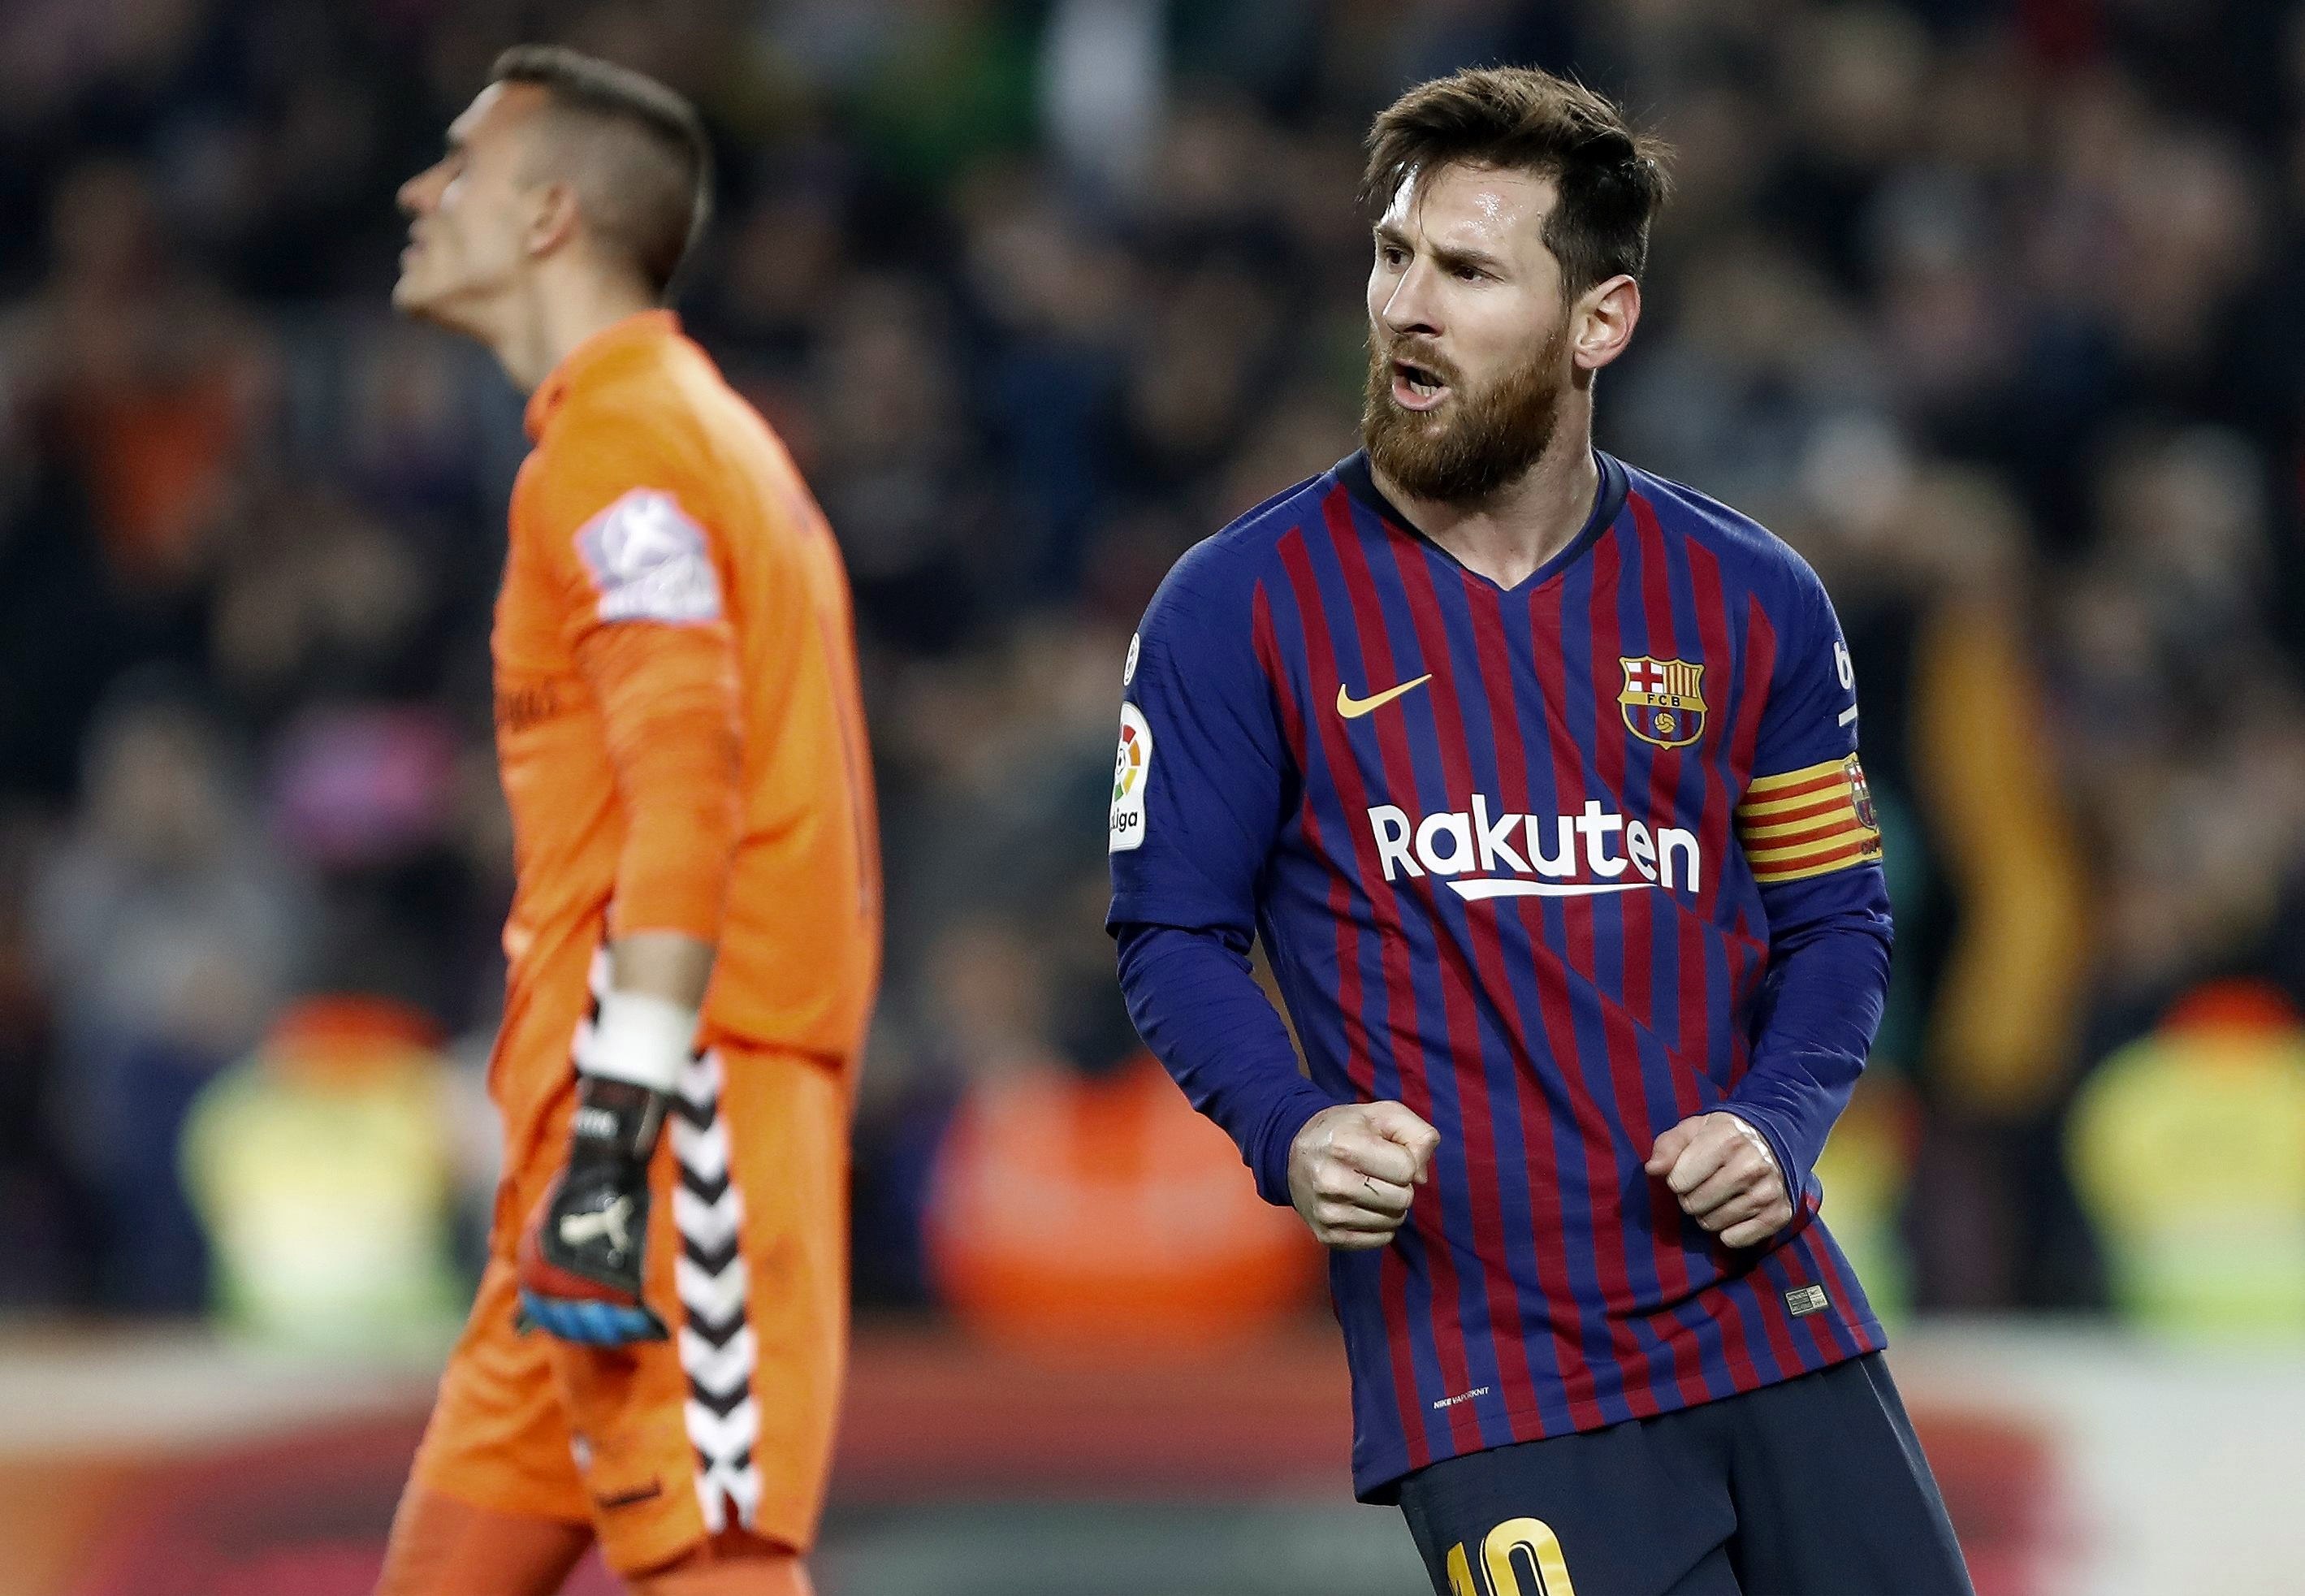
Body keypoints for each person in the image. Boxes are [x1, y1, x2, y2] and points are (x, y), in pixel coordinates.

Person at [1109, 66, 1972, 1596]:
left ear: (1600, 322)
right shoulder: (1239, 606)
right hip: (1495, 1377)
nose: (1406, 308)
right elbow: (1173, 931)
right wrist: (1285, 1122)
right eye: (1393, 255)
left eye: (1467, 270)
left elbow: (1835, 921)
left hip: (1769, 1318)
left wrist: (1780, 1118)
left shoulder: (1750, 597)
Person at [377, 46, 880, 1596]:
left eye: (455, 163)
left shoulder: (623, 446)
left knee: (711, 1564)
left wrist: (618, 1130)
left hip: (670, 1113)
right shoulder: (672, 430)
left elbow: (689, 783)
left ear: (544, 216)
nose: (416, 190)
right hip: (603, 1114)